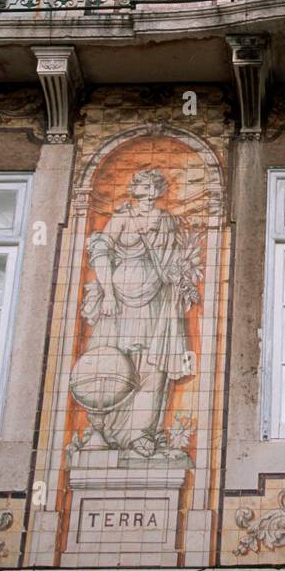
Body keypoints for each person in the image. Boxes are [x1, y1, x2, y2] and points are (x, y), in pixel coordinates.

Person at [79, 168, 201, 458]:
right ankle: (107, 430)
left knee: (153, 366)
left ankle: (142, 433)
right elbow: (100, 253)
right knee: (116, 362)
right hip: (120, 302)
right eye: (141, 184)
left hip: (158, 301)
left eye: (151, 185)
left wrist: (180, 284)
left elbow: (175, 261)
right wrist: (108, 293)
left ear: (158, 190)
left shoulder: (168, 221)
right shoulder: (122, 218)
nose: (145, 189)